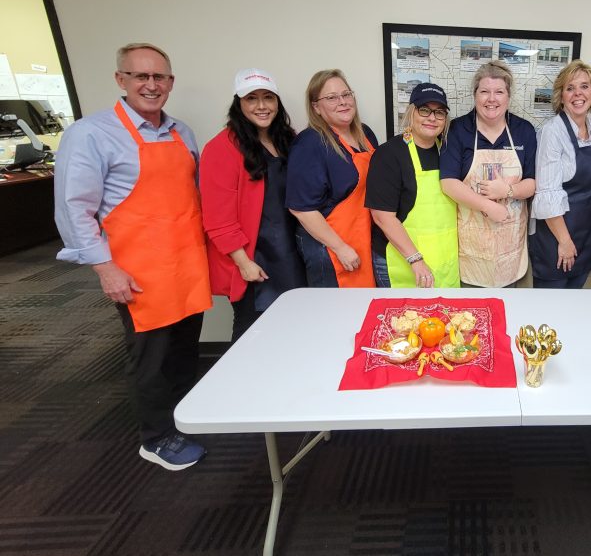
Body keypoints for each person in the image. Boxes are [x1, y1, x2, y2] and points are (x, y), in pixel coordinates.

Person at [53, 43, 211, 470]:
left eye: (159, 77)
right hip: (139, 272)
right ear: (120, 80)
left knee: (183, 350)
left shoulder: (182, 132)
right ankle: (156, 437)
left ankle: (184, 418)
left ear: (171, 82)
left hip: (186, 263)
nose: (151, 85)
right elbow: (74, 208)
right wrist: (105, 269)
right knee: (150, 356)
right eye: (141, 76)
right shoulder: (91, 134)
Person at [200, 68, 306, 341]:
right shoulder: (221, 148)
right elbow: (217, 218)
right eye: (252, 99)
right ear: (239, 103)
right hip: (254, 257)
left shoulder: (288, 139)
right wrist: (243, 263)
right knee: (254, 331)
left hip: (291, 251)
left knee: (296, 324)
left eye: (268, 97)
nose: (261, 106)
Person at [440, 60, 537, 287]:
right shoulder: (457, 130)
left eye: (499, 92)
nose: (491, 99)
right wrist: (488, 206)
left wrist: (508, 190)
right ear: (475, 95)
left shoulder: (524, 131)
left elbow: (532, 183)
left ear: (508, 97)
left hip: (510, 245)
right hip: (470, 245)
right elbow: (449, 183)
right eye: (484, 91)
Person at [287, 69, 378, 287]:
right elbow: (301, 208)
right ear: (316, 107)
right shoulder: (310, 143)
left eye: (346, 95)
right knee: (337, 314)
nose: (343, 102)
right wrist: (340, 248)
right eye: (331, 98)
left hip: (363, 238)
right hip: (329, 248)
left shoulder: (365, 134)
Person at [365, 82, 459, 288]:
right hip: (403, 261)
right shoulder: (389, 154)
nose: (432, 118)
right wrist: (415, 259)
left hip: (445, 260)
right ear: (411, 112)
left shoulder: (449, 153)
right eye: (424, 110)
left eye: (439, 112)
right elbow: (382, 217)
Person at [529, 60, 591, 289]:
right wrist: (564, 241)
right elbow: (546, 192)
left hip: (586, 234)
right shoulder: (551, 132)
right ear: (561, 96)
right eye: (570, 88)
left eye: (584, 86)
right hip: (555, 238)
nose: (577, 94)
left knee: (574, 305)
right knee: (549, 312)